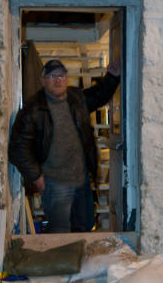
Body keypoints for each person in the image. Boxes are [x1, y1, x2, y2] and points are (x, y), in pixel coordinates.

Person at [9, 58, 120, 233]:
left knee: (84, 227)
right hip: (54, 184)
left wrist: (113, 76)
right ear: (43, 81)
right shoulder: (33, 109)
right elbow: (17, 148)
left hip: (81, 180)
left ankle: (79, 261)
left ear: (66, 79)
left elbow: (99, 95)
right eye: (52, 76)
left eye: (61, 75)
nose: (57, 80)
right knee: (60, 232)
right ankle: (62, 261)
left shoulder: (76, 99)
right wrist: (36, 176)